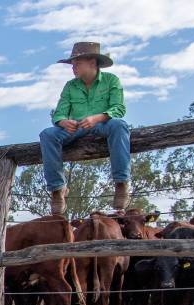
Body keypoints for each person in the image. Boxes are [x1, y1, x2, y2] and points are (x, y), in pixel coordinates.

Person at [40, 42, 130, 214]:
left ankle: (121, 182)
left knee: (119, 125)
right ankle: (57, 189)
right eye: (72, 65)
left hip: (104, 123)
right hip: (77, 127)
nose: (73, 68)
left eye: (77, 64)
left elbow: (118, 108)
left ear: (92, 63)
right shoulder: (70, 86)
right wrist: (63, 122)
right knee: (47, 135)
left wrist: (97, 118)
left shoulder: (111, 80)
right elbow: (59, 114)